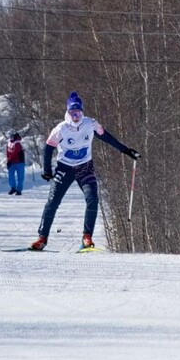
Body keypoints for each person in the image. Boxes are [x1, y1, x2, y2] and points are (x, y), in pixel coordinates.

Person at [31, 92, 139, 250]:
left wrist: (126, 150)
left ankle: (87, 237)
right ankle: (42, 238)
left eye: (78, 113)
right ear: (67, 113)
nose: (75, 116)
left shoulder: (90, 124)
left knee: (92, 199)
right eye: (72, 113)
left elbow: (108, 138)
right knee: (52, 202)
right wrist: (47, 170)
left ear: (82, 112)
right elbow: (48, 149)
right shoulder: (60, 129)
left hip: (85, 168)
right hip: (64, 168)